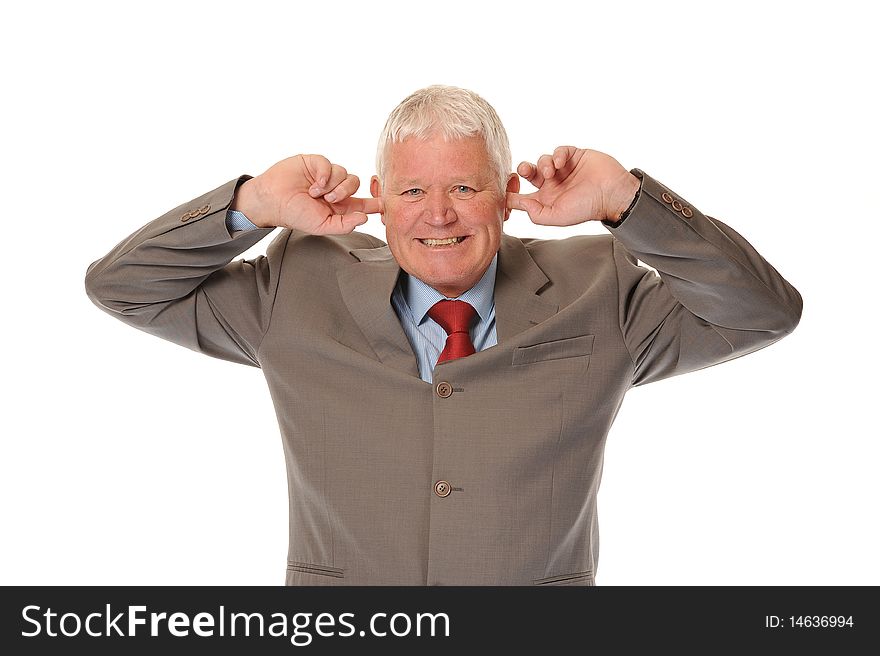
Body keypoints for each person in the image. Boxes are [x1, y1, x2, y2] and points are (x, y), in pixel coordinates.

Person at [85, 85, 802, 586]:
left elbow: (762, 312)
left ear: (505, 195)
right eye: (412, 191)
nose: (438, 215)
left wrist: (628, 203)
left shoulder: (599, 285)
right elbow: (121, 286)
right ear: (380, 199)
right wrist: (249, 207)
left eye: (463, 188)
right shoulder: (298, 284)